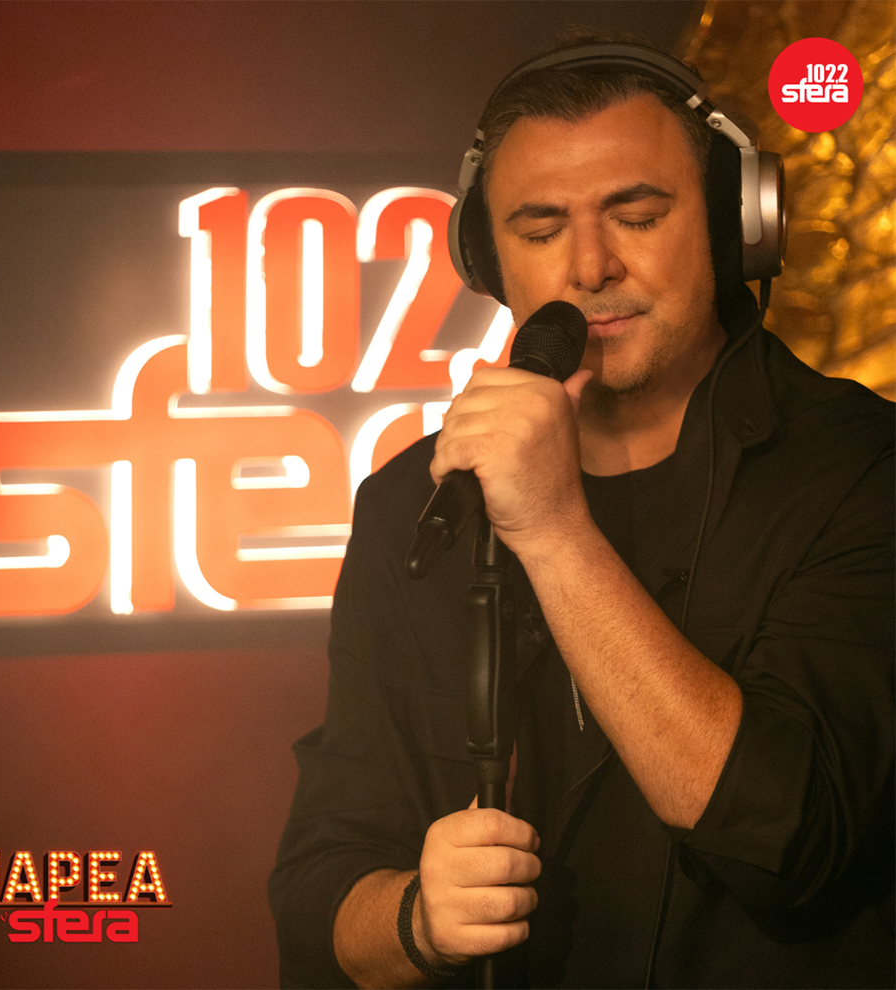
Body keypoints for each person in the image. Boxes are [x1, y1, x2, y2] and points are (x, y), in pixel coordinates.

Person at [269, 38, 894, 989]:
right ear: (487, 258)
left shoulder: (862, 469)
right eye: (540, 229)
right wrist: (416, 919)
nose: (591, 266)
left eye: (637, 216)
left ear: (736, 223)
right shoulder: (415, 503)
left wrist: (555, 533)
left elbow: (794, 837)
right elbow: (321, 895)